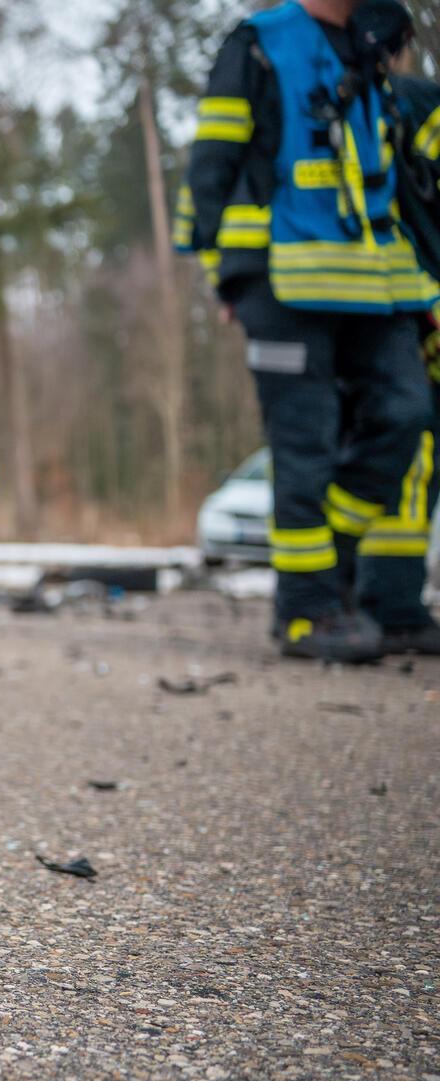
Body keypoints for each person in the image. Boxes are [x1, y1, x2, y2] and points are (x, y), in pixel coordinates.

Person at [177, 0, 437, 661]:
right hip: (284, 284)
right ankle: (305, 614)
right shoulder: (259, 44)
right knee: (304, 449)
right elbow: (213, 162)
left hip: (378, 285)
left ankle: (330, 570)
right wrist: (227, 275)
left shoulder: (369, 46)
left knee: (405, 415)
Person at [348, 5, 440, 654]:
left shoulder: (343, 107)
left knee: (390, 447)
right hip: (415, 305)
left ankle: (371, 596)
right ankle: (394, 604)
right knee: (415, 448)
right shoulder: (414, 103)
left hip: (364, 307)